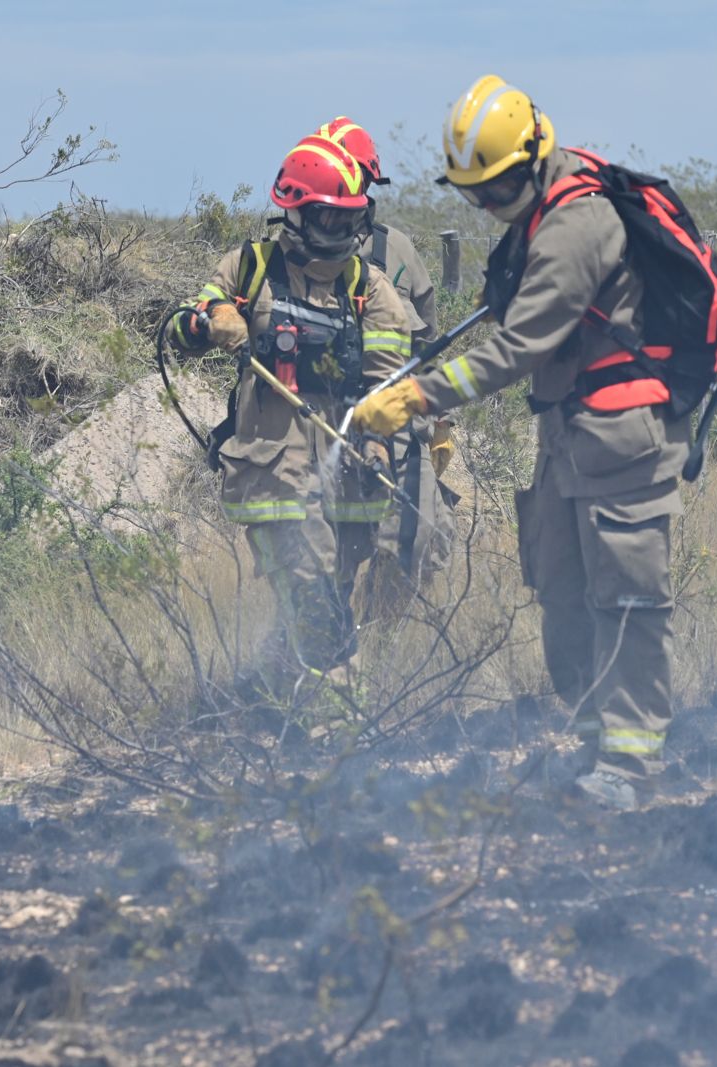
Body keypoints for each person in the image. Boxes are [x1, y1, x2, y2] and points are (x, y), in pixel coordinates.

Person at [352, 75, 685, 811]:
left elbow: (522, 344)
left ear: (536, 158)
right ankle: (602, 749)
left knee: (626, 599)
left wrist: (420, 394)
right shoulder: (537, 217)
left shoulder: (577, 223)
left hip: (623, 438)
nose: (488, 206)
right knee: (563, 592)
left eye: (495, 190)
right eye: (474, 196)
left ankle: (633, 768)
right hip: (567, 435)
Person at [168, 132, 411, 700]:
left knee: (328, 596)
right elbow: (182, 323)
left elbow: (388, 383)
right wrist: (213, 319)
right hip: (273, 470)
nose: (341, 234)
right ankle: (337, 724)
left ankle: (262, 694)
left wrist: (376, 443)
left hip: (350, 471)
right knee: (311, 590)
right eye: (328, 220)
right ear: (295, 214)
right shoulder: (249, 267)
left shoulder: (370, 291)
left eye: (350, 221)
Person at [312, 116, 457, 602]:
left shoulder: (394, 249)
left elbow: (427, 342)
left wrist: (437, 422)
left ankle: (384, 648)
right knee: (327, 555)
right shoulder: (291, 255)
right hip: (322, 429)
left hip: (396, 431)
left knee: (412, 542)